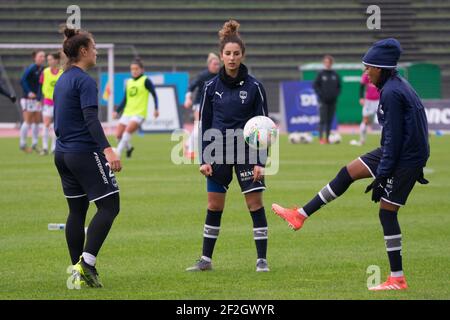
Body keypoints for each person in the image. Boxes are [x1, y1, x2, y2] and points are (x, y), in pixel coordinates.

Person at [272, 38, 430, 291]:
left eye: (368, 67)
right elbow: (398, 135)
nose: (365, 72)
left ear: (380, 67)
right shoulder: (394, 86)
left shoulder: (391, 92)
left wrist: (384, 176)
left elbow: (396, 139)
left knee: (387, 213)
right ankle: (300, 214)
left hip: (405, 157)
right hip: (399, 151)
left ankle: (397, 279)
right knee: (348, 172)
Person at [186, 20, 270, 272]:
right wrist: (203, 158)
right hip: (217, 151)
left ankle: (261, 260)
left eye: (236, 53)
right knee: (214, 205)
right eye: (227, 54)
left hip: (247, 151)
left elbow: (263, 126)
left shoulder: (255, 86)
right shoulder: (210, 87)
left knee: (254, 204)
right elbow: (205, 125)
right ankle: (206, 260)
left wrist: (260, 161)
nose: (232, 58)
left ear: (242, 55)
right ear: (221, 56)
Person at [54, 27, 122, 288]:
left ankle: (76, 271)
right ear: (83, 51)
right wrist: (107, 149)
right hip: (82, 152)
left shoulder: (62, 79)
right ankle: (87, 264)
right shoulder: (84, 81)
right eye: (94, 48)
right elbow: (90, 118)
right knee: (110, 206)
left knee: (77, 211)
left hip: (62, 153)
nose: (96, 53)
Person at [113, 59, 159, 158]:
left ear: (142, 70)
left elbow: (154, 94)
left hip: (139, 113)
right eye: (132, 69)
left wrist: (156, 108)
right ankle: (129, 148)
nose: (134, 71)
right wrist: (117, 111)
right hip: (127, 112)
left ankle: (118, 153)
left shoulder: (145, 80)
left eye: (136, 69)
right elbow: (125, 99)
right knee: (118, 136)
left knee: (127, 132)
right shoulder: (129, 82)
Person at [183, 53, 220, 159]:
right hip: (200, 104)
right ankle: (190, 151)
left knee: (206, 128)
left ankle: (188, 144)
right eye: (214, 64)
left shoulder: (221, 75)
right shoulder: (203, 76)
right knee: (199, 126)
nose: (217, 66)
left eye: (218, 64)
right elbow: (191, 87)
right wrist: (188, 98)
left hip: (213, 105)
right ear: (209, 65)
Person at [20, 50, 45, 153]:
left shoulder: (42, 69)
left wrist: (39, 97)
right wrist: (29, 92)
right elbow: (22, 80)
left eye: (43, 56)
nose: (42, 58)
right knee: (28, 120)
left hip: (37, 99)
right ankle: (23, 143)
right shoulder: (32, 68)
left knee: (37, 120)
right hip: (27, 99)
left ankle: (34, 143)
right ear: (35, 58)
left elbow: (40, 85)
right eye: (40, 56)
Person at [313, 55, 341, 144]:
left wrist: (335, 95)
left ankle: (327, 138)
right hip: (323, 101)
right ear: (324, 63)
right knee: (322, 120)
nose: (328, 64)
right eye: (326, 62)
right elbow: (315, 85)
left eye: (329, 62)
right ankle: (321, 138)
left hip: (332, 101)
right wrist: (321, 95)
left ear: (331, 63)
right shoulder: (321, 74)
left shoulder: (335, 74)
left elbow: (339, 87)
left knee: (329, 120)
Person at [39, 52, 63, 155]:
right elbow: (40, 86)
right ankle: (45, 147)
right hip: (47, 102)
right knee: (46, 125)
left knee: (56, 126)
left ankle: (54, 148)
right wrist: (39, 100)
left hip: (59, 102)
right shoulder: (45, 72)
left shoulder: (62, 72)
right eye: (48, 60)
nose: (49, 61)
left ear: (56, 60)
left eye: (51, 59)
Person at [350, 71, 380, 146]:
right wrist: (361, 98)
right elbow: (362, 86)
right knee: (365, 120)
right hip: (369, 101)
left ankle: (384, 143)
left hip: (379, 100)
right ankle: (362, 140)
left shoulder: (380, 74)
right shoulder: (367, 74)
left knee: (382, 121)